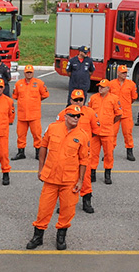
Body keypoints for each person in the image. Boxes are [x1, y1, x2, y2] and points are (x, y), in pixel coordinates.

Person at [25, 104, 88, 251]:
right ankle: (38, 236)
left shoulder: (82, 135)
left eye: (78, 116)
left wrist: (80, 180)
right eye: (73, 115)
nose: (76, 118)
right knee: (44, 208)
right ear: (65, 116)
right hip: (51, 178)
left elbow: (84, 160)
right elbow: (43, 147)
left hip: (69, 180)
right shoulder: (53, 128)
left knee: (67, 210)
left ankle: (61, 237)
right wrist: (41, 168)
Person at [57, 89, 100, 214]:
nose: (78, 102)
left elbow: (96, 130)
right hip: (68, 153)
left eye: (80, 99)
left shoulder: (90, 113)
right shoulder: (63, 114)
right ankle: (65, 203)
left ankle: (87, 200)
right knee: (66, 178)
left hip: (84, 152)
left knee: (85, 178)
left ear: (84, 100)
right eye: (75, 100)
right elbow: (57, 131)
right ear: (71, 100)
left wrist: (84, 142)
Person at [87, 79, 121, 186]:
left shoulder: (114, 99)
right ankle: (92, 173)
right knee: (93, 153)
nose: (100, 88)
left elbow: (119, 114)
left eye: (102, 87)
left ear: (108, 88)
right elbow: (88, 112)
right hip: (95, 132)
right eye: (99, 86)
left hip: (107, 131)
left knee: (108, 154)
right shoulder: (93, 98)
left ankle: (107, 174)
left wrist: (110, 122)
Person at [12, 65, 49, 161]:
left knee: (37, 135)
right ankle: (21, 152)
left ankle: (38, 153)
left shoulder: (39, 83)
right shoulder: (18, 84)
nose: (29, 74)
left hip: (34, 115)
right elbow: (15, 96)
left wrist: (36, 101)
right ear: (24, 73)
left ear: (33, 73)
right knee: (20, 135)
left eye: (30, 72)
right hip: (22, 115)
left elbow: (45, 94)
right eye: (27, 72)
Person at [111, 64, 138, 161]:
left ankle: (129, 151)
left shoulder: (131, 84)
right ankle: (109, 152)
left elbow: (134, 98)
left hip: (126, 113)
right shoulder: (111, 84)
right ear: (118, 73)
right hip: (114, 113)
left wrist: (126, 104)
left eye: (125, 72)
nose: (124, 74)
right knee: (112, 134)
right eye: (122, 72)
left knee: (128, 133)